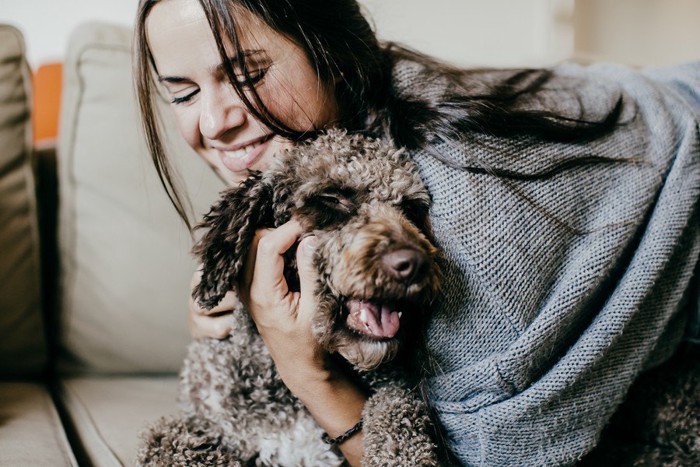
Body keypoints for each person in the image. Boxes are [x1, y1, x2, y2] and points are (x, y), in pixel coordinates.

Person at [133, 0, 700, 465]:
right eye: (183, 93)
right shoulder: (337, 144)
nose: (213, 121)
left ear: (338, 59)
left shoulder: (465, 237)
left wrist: (308, 371)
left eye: (247, 76)